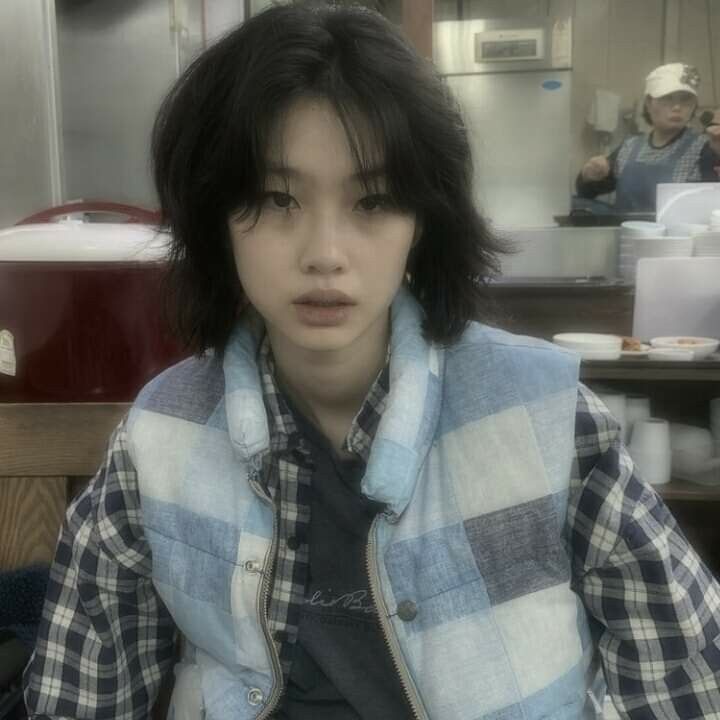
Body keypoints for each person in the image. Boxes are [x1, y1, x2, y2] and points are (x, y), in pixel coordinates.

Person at [23, 4, 720, 719]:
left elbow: (685, 676)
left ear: (425, 222)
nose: (325, 253)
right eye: (275, 197)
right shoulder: (160, 441)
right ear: (214, 216)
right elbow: (80, 694)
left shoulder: (544, 417)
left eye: (376, 200)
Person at [577, 62, 720, 213]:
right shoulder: (629, 147)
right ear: (649, 103)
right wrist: (588, 176)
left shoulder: (705, 148)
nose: (677, 107)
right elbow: (587, 192)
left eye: (685, 100)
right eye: (667, 98)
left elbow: (714, 206)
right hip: (627, 233)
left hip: (679, 235)